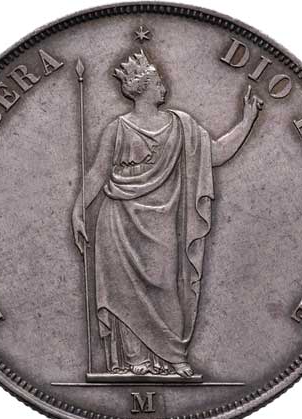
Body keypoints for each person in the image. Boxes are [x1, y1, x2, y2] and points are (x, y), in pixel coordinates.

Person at [72, 50, 263, 378]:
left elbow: (216, 154)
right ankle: (136, 361)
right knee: (122, 292)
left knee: (166, 287)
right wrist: (78, 210)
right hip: (118, 222)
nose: (164, 85)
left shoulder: (182, 126)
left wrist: (247, 122)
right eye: (158, 81)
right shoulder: (117, 129)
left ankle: (172, 355)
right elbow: (97, 173)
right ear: (143, 88)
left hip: (162, 224)